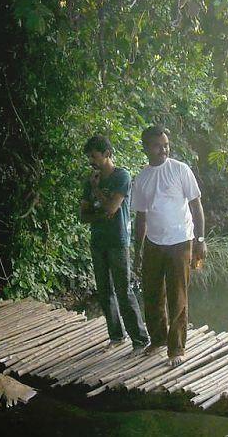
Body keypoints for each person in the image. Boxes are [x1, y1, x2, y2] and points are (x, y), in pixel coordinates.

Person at [130, 125, 206, 367]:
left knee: (178, 296)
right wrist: (137, 250)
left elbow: (196, 206)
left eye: (166, 145)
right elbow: (140, 218)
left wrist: (200, 241)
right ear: (145, 148)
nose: (163, 149)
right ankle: (158, 339)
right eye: (157, 145)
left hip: (180, 242)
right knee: (152, 294)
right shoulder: (141, 179)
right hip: (153, 243)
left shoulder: (180, 170)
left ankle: (176, 348)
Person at [80, 135, 150, 352]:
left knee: (123, 290)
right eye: (89, 157)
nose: (91, 161)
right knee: (104, 291)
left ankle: (139, 339)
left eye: (94, 156)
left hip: (117, 241)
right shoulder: (89, 180)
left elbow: (112, 208)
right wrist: (102, 211)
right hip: (98, 241)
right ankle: (116, 337)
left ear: (107, 154)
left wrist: (98, 194)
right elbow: (83, 216)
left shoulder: (122, 176)